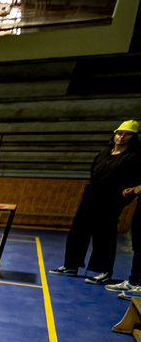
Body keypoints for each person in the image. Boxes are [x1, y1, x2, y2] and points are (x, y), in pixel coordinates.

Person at [50, 121, 141, 284]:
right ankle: (71, 265)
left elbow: (134, 183)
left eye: (127, 133)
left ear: (133, 137)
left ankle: (103, 272)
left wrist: (124, 198)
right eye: (119, 132)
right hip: (90, 199)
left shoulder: (133, 157)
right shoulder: (103, 153)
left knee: (104, 236)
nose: (121, 136)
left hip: (111, 202)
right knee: (77, 232)